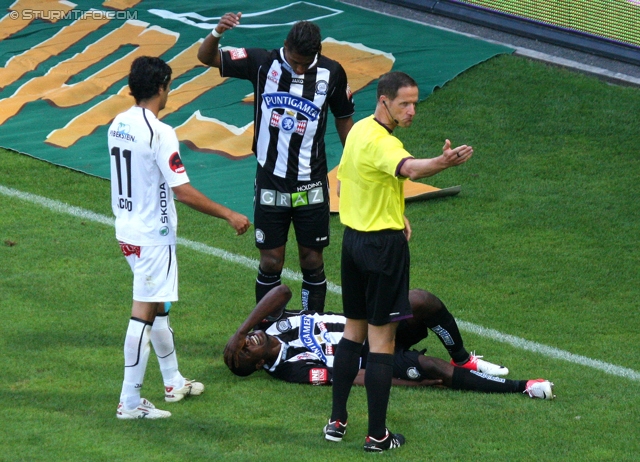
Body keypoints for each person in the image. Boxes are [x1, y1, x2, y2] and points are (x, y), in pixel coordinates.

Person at [328, 71, 475, 451]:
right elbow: (409, 169)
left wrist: (393, 210)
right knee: (381, 342)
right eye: (404, 104)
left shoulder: (358, 131)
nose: (412, 111)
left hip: (353, 242)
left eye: (414, 103)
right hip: (382, 251)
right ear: (384, 101)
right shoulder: (383, 143)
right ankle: (378, 435)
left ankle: (336, 420)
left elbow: (345, 184)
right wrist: (444, 163)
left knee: (352, 332)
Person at [109, 56, 251, 420]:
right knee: (143, 312)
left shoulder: (118, 123)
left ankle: (172, 381)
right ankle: (129, 402)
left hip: (127, 229)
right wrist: (229, 214)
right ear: (162, 87)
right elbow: (182, 191)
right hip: (152, 235)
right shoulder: (160, 132)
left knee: (158, 307)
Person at [197, 13, 355, 314]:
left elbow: (344, 120)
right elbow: (206, 57)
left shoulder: (332, 73)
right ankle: (269, 328)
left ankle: (312, 324)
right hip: (271, 179)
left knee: (312, 259)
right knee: (271, 260)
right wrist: (217, 31)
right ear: (285, 45)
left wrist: (353, 165)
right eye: (294, 61)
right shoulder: (261, 62)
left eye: (305, 63)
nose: (298, 68)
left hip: (312, 181)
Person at [223, 285, 555, 402]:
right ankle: (521, 387)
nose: (249, 341)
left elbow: (282, 292)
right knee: (432, 369)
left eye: (244, 340)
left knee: (421, 300)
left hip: (376, 323)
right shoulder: (290, 370)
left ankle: (463, 357)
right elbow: (348, 377)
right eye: (246, 349)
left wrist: (241, 330)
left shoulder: (269, 325)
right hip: (374, 355)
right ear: (256, 365)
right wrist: (403, 379)